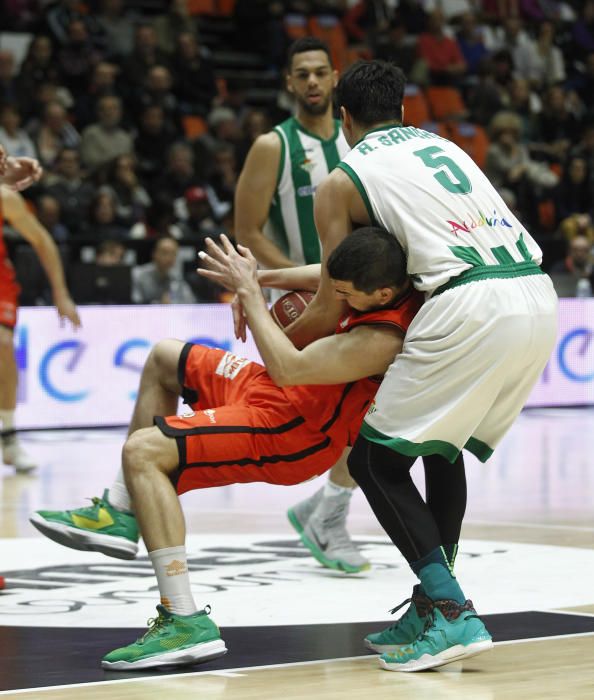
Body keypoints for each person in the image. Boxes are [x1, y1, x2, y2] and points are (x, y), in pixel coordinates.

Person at [30, 227, 422, 670]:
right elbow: (327, 277)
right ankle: (120, 514)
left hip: (292, 430)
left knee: (143, 451)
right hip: (272, 390)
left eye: (343, 294)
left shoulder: (380, 340)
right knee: (164, 356)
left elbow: (288, 366)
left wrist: (251, 294)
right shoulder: (395, 271)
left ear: (383, 292)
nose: (331, 299)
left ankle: (183, 620)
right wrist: (262, 275)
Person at [285, 60, 558, 673]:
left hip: (466, 303)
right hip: (534, 293)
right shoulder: (447, 149)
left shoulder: (341, 178)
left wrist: (280, 346)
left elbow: (333, 299)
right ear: (404, 111)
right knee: (440, 447)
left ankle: (451, 610)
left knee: (373, 460)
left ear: (343, 119)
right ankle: (432, 601)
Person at [234, 36, 366, 574]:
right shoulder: (274, 146)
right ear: (289, 83)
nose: (311, 81)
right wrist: (302, 283)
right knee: (344, 407)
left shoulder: (359, 142)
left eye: (319, 72)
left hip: (354, 288)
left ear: (334, 77)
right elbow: (246, 229)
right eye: (301, 74)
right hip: (303, 296)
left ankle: (327, 508)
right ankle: (327, 510)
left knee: (369, 404)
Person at [0, 182, 80, 472]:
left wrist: (61, 293)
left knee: (3, 344)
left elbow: (42, 240)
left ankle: (9, 437)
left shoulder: (4, 198)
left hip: (0, 282)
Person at [131, 236, 196, 304]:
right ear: (154, 254)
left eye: (173, 254)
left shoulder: (176, 277)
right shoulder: (138, 275)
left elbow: (191, 302)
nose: (169, 258)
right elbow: (134, 302)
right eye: (165, 253)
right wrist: (158, 304)